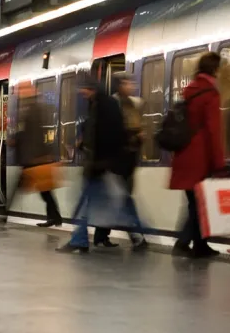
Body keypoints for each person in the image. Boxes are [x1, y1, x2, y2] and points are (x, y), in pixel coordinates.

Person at [57, 75, 138, 253]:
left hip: (101, 166)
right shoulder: (97, 104)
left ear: (91, 88)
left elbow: (111, 135)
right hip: (99, 165)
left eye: (83, 89)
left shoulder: (105, 105)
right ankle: (84, 239)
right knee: (104, 203)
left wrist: (103, 161)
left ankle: (140, 233)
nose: (81, 93)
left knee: (93, 205)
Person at [169, 52, 225, 258]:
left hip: (184, 155)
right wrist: (219, 163)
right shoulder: (210, 93)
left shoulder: (190, 90)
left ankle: (199, 245)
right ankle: (184, 243)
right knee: (199, 203)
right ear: (215, 69)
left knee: (196, 202)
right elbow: (213, 131)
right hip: (200, 157)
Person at [92, 72, 148, 250]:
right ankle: (136, 237)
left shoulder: (133, 104)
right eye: (126, 83)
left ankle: (101, 236)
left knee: (117, 200)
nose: (130, 86)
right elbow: (115, 131)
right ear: (118, 85)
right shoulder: (113, 104)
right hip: (117, 160)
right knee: (123, 199)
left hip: (129, 159)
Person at [13, 85, 62, 227]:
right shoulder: (34, 109)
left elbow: (34, 135)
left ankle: (3, 214)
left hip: (35, 158)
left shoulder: (33, 110)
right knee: (45, 191)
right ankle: (55, 217)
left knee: (39, 189)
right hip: (35, 157)